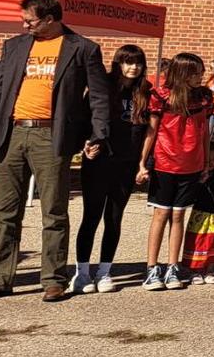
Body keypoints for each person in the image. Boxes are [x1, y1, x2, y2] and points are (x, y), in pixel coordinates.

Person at [0, 0, 112, 302]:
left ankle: (53, 279)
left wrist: (98, 134)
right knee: (4, 212)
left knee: (53, 211)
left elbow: (99, 97)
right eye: (24, 20)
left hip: (52, 136)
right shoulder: (14, 46)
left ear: (50, 19)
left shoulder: (83, 48)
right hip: (12, 134)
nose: (25, 26)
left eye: (31, 21)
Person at [72, 45, 150, 294]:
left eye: (138, 62)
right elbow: (83, 121)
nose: (133, 67)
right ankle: (82, 272)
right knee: (91, 216)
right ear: (118, 63)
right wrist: (85, 144)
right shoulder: (102, 87)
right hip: (99, 161)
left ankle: (104, 272)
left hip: (126, 164)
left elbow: (148, 131)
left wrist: (142, 163)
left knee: (114, 218)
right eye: (128, 62)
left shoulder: (145, 92)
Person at [136, 53, 214, 291]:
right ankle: (152, 268)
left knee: (179, 216)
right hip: (165, 162)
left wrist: (205, 163)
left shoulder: (203, 98)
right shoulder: (161, 96)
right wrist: (142, 163)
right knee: (161, 215)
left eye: (201, 72)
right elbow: (151, 131)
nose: (200, 76)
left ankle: (173, 266)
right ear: (182, 74)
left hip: (191, 164)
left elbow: (205, 132)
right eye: (195, 73)